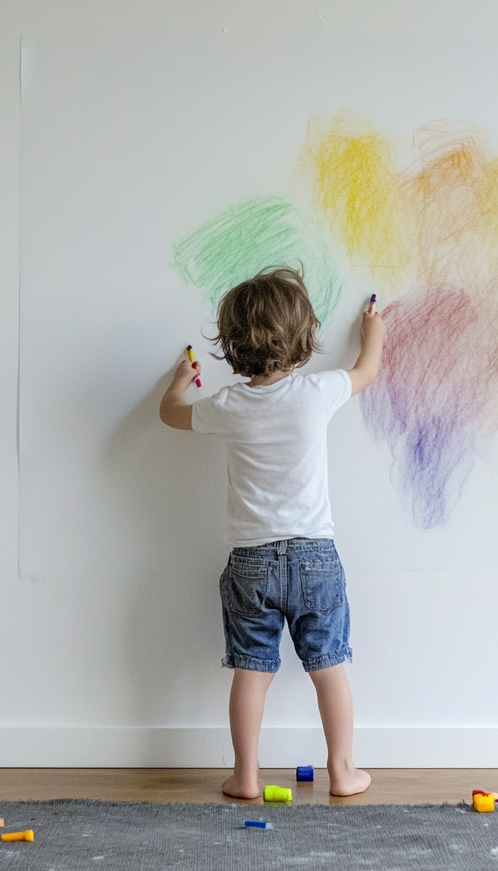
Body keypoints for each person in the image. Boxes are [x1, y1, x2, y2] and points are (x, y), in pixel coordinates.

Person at [159, 267, 384, 799]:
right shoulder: (317, 392)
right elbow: (367, 371)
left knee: (251, 673)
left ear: (232, 345)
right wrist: (373, 328)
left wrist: (179, 379)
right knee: (329, 668)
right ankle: (344, 772)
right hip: (315, 558)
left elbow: (171, 414)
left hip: (250, 563)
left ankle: (246, 776)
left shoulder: (228, 407)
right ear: (304, 336)